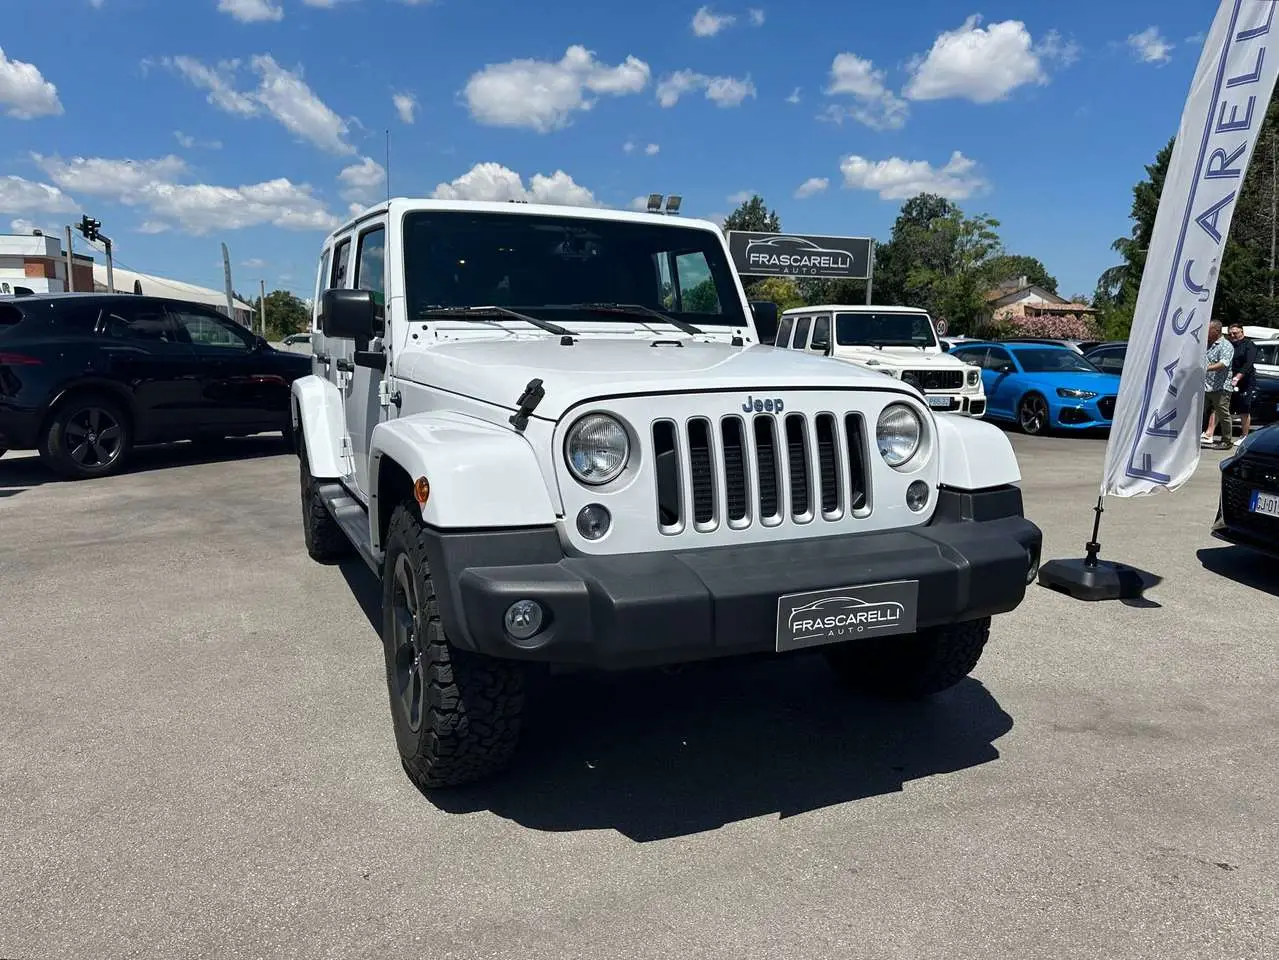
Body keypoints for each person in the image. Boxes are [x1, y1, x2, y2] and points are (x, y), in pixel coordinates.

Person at [1202, 320, 1235, 450]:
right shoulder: (1207, 345)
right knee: (1199, 412)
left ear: (1216, 330)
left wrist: (1206, 368)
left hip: (1221, 387)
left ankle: (1226, 441)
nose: (1207, 333)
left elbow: (1223, 363)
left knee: (1223, 414)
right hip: (1205, 385)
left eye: (1209, 330)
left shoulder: (1226, 345)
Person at [1227, 322, 1257, 445]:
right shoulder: (1229, 345)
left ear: (1242, 332)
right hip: (1229, 379)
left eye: (1235, 333)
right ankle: (1212, 432)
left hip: (1245, 380)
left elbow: (1248, 364)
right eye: (1230, 334)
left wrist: (1238, 377)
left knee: (1244, 408)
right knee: (1223, 406)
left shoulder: (1249, 345)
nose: (1233, 335)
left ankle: (1244, 435)